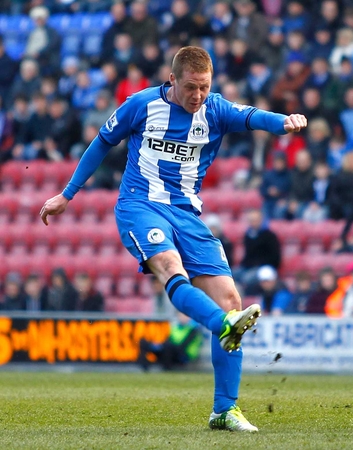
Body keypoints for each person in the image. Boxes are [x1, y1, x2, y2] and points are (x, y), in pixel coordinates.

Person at [39, 46, 308, 432]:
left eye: (204, 87)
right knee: (170, 267)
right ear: (172, 81)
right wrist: (67, 193)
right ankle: (223, 324)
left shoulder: (214, 109)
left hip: (187, 214)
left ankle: (224, 409)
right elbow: (102, 142)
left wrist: (284, 122)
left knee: (231, 299)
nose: (197, 96)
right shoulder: (141, 105)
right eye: (191, 88)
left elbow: (251, 116)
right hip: (140, 205)